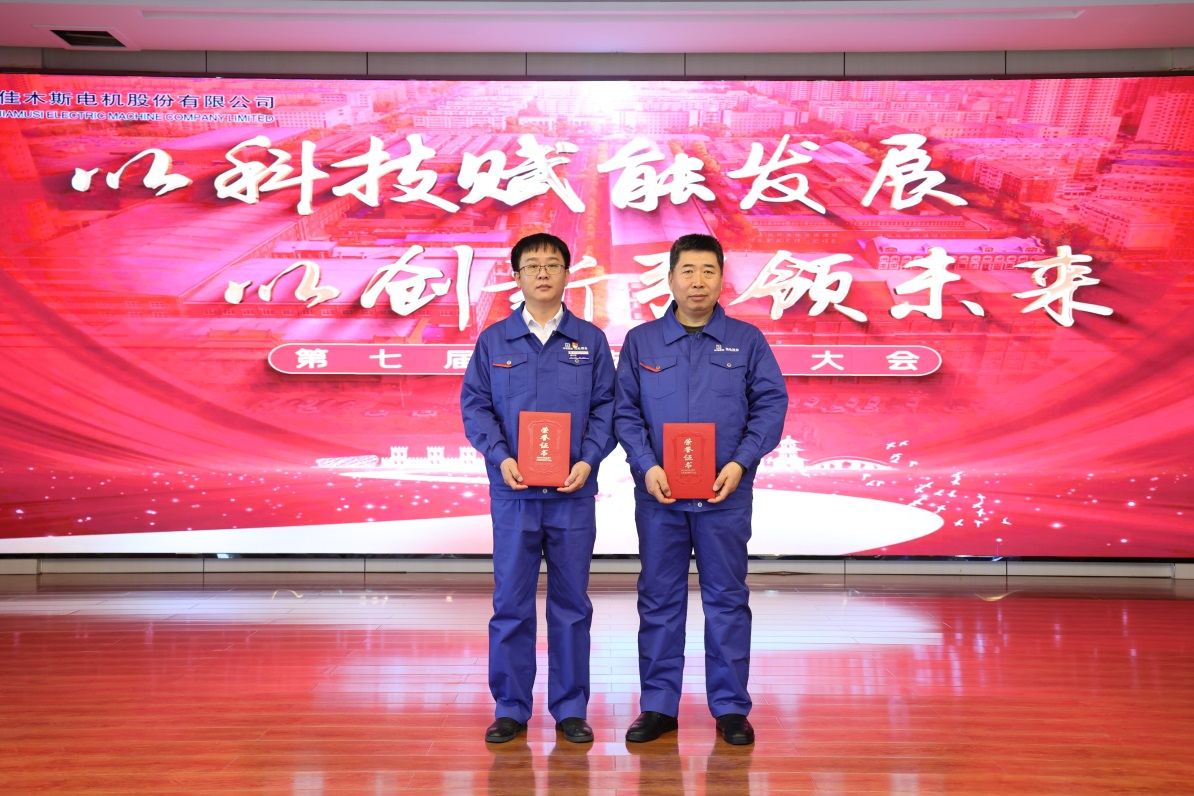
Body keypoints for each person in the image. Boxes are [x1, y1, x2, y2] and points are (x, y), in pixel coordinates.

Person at [613, 233, 788, 746]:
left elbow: (770, 406)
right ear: (669, 279)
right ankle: (658, 705)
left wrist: (740, 462)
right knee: (659, 599)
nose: (697, 281)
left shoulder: (747, 340)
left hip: (723, 495)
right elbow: (625, 411)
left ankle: (730, 707)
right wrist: (646, 465)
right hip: (660, 497)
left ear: (721, 279)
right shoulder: (643, 342)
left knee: (727, 599)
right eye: (687, 271)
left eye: (708, 271)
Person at [460, 232, 616, 744]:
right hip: (514, 493)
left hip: (572, 494)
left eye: (553, 264)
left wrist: (589, 460)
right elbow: (475, 407)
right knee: (511, 603)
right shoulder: (494, 341)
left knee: (571, 604)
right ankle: (510, 707)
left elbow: (607, 408)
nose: (543, 272)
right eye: (533, 265)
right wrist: (501, 457)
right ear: (517, 276)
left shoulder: (590, 341)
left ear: (568, 274)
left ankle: (570, 708)